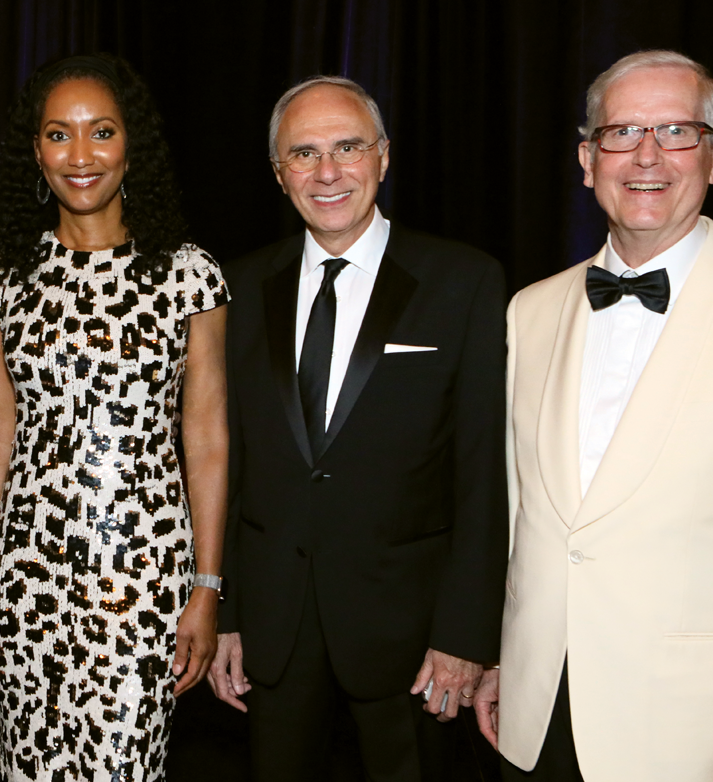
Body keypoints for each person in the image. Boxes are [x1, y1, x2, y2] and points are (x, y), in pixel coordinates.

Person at [476, 50, 713, 782]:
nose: (646, 156)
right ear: (587, 159)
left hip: (694, 734)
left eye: (678, 131)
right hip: (537, 717)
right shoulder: (532, 309)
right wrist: (505, 659)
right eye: (621, 133)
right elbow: (526, 517)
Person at [209, 75, 508, 781]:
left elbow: (484, 472)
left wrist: (466, 634)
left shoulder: (463, 282)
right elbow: (232, 462)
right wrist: (226, 613)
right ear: (280, 175)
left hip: (411, 638)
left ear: (383, 156)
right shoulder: (240, 288)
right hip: (273, 632)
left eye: (348, 147)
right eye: (304, 154)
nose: (329, 172)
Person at [0, 53, 229, 781]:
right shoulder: (4, 277)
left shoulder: (188, 273)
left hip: (143, 582)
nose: (81, 155)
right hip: (24, 575)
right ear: (34, 150)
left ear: (131, 143)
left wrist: (207, 586)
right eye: (58, 134)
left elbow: (207, 440)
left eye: (101, 131)